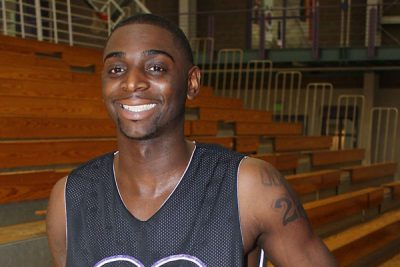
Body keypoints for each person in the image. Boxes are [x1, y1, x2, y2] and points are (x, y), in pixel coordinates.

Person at [46, 13, 337, 267]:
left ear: (192, 82)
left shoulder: (249, 187)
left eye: (155, 67)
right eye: (116, 69)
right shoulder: (70, 198)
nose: (132, 82)